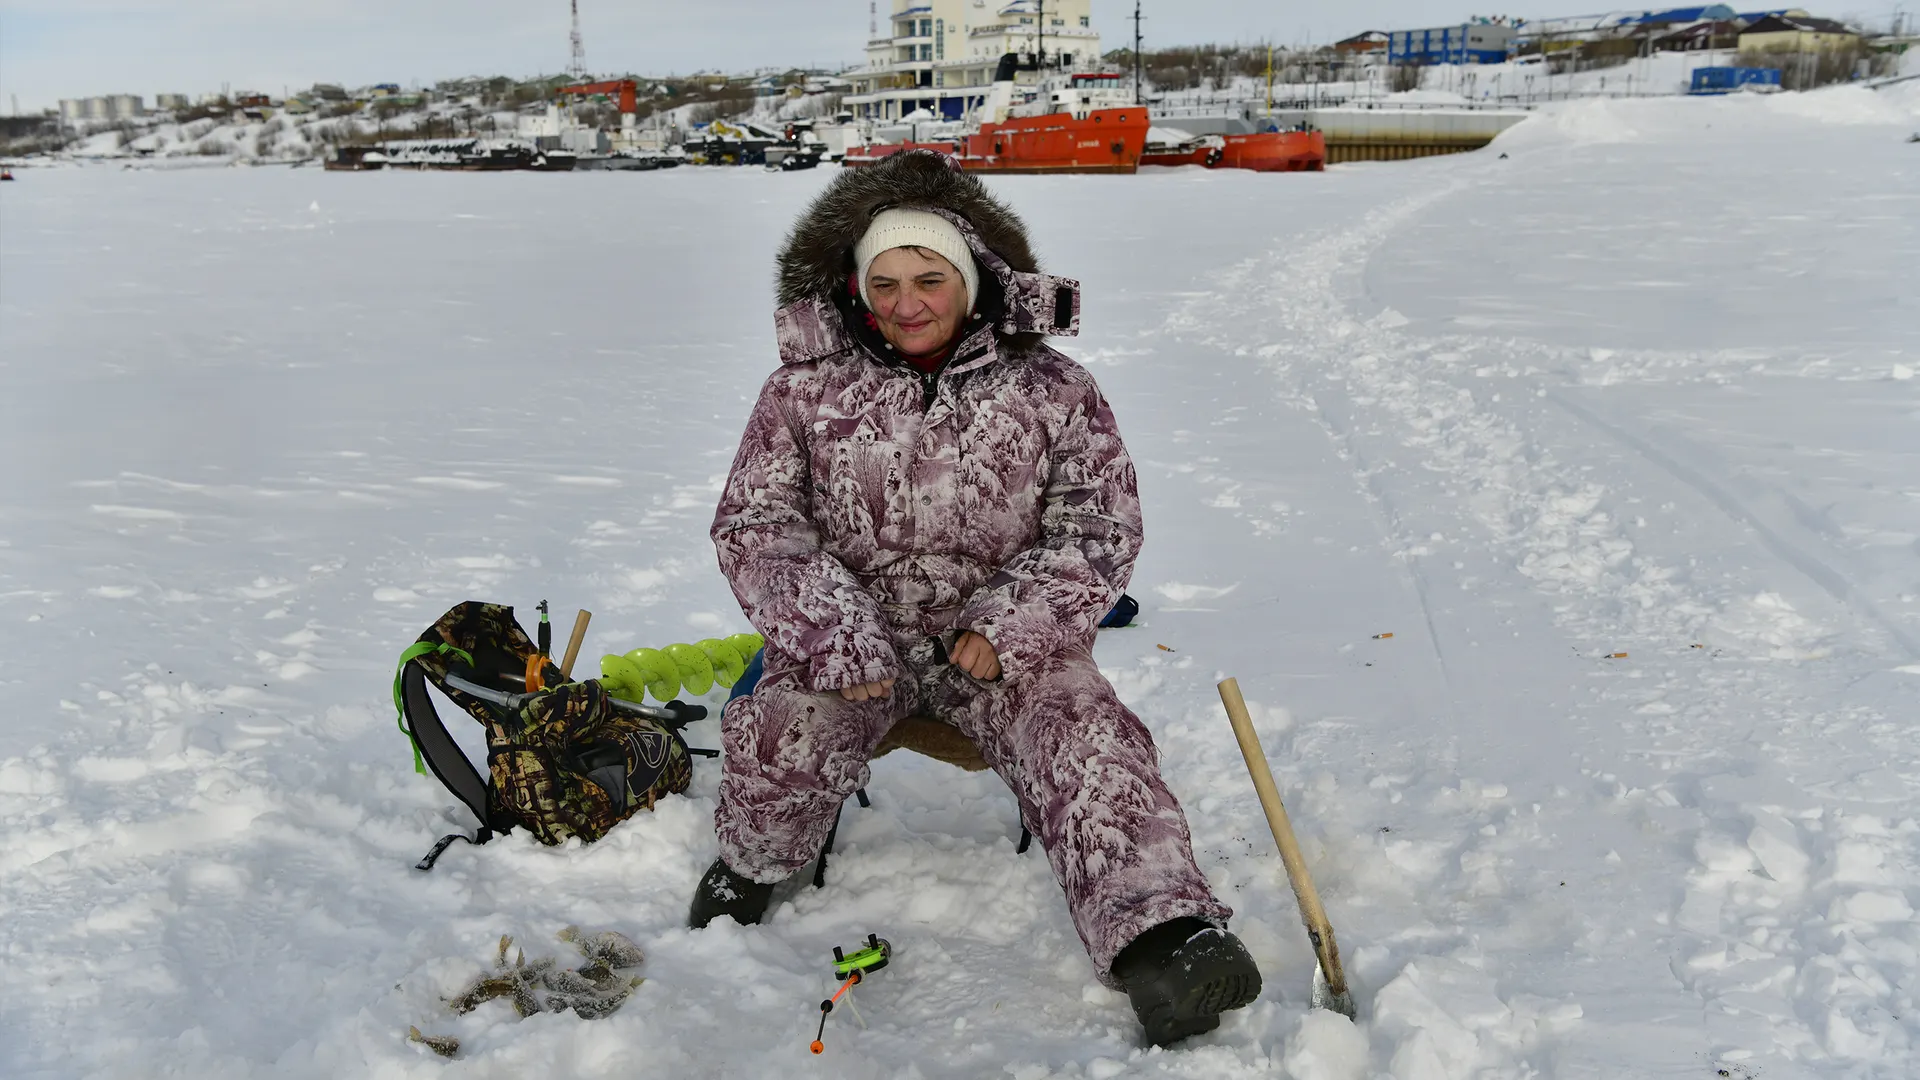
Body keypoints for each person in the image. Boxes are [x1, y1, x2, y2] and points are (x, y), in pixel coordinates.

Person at [693, 150, 1261, 1046]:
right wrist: (834, 630)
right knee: (777, 738)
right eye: (884, 283)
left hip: (1002, 652)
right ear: (855, 287)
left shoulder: (1054, 388)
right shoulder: (799, 391)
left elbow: (1098, 526)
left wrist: (1011, 626)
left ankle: (1164, 942)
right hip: (852, 649)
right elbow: (757, 526)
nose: (906, 304)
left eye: (929, 279)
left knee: (1090, 742)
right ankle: (753, 867)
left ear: (974, 281)